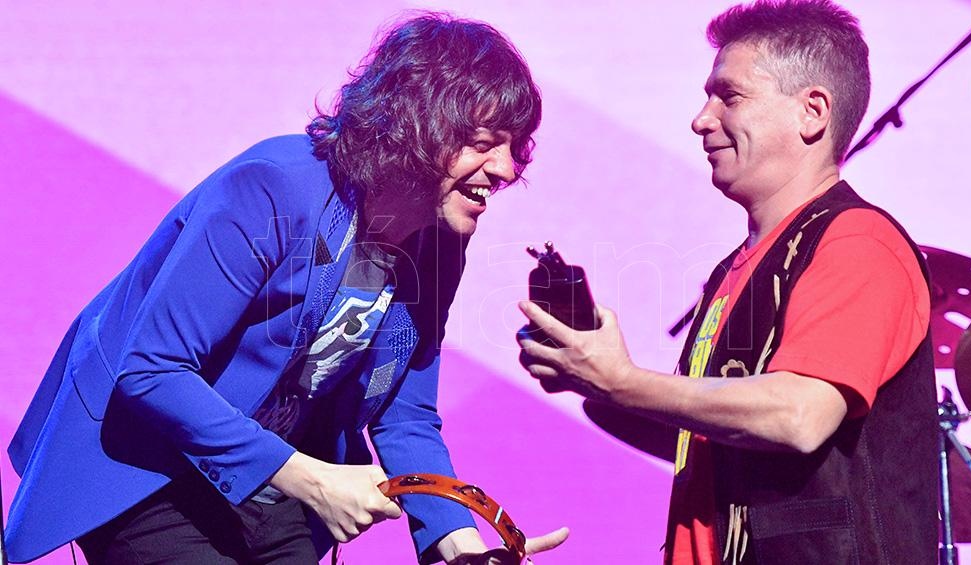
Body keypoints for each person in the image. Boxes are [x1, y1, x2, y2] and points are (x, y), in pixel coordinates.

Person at [5, 13, 567, 565]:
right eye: (484, 143)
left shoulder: (440, 239)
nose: (505, 169)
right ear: (416, 126)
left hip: (267, 489)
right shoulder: (273, 187)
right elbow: (152, 370)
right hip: (149, 468)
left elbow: (405, 417)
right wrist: (313, 480)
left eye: (513, 147)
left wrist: (462, 544)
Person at [517, 1, 937, 563]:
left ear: (812, 112)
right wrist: (589, 373)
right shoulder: (738, 267)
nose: (701, 119)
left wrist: (622, 383)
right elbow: (721, 433)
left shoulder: (858, 242)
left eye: (729, 96)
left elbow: (798, 416)